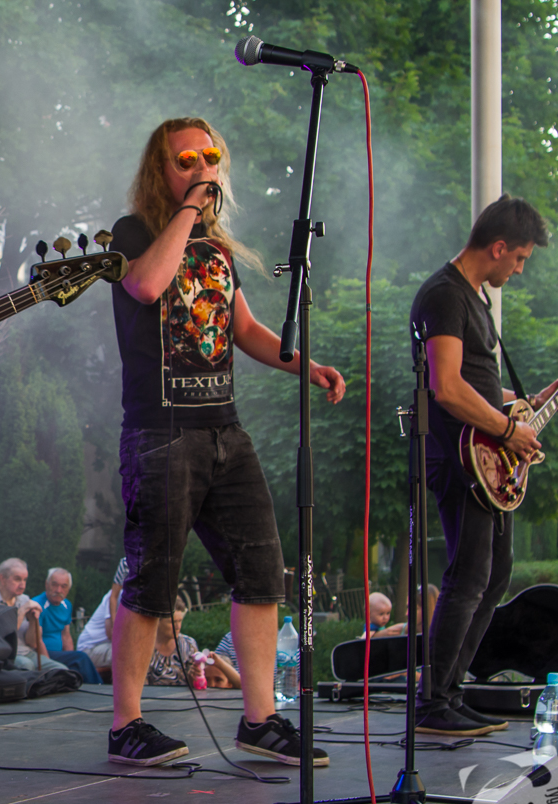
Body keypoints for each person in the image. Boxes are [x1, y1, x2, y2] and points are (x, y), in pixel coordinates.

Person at [106, 118, 345, 767]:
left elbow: (243, 327)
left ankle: (260, 719)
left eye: (210, 157)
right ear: (160, 170)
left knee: (262, 571)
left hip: (224, 429)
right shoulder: (132, 234)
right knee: (152, 579)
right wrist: (189, 209)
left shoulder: (214, 248)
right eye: (186, 159)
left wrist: (307, 365)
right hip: (161, 432)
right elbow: (146, 285)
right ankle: (126, 725)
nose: (203, 168)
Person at [410, 194, 558, 737]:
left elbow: (478, 387)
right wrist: (508, 431)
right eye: (521, 257)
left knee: (494, 575)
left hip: (486, 461)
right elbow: (447, 386)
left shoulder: (474, 298)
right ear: (499, 247)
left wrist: (531, 402)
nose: (520, 269)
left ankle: (449, 692)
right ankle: (433, 702)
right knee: (468, 577)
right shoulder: (445, 294)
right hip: (459, 456)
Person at [0, 558, 68, 672]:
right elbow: (0, 638)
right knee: (26, 665)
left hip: (27, 653)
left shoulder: (24, 599)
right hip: (3, 656)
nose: (22, 585)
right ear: (2, 578)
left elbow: (32, 643)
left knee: (62, 671)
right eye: (17, 579)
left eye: (25, 580)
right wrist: (21, 612)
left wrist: (33, 621)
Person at [28, 568, 102, 683]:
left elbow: (66, 635)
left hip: (59, 655)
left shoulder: (67, 605)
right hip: (42, 655)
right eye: (54, 585)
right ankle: (99, 687)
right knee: (81, 658)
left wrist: (70, 655)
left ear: (68, 589)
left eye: (64, 586)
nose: (58, 590)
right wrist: (49, 665)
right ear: (46, 584)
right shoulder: (37, 605)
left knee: (76, 666)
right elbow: (38, 641)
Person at [76, 557, 128, 669]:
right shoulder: (115, 597)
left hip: (105, 646)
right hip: (88, 648)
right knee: (128, 653)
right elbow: (111, 634)